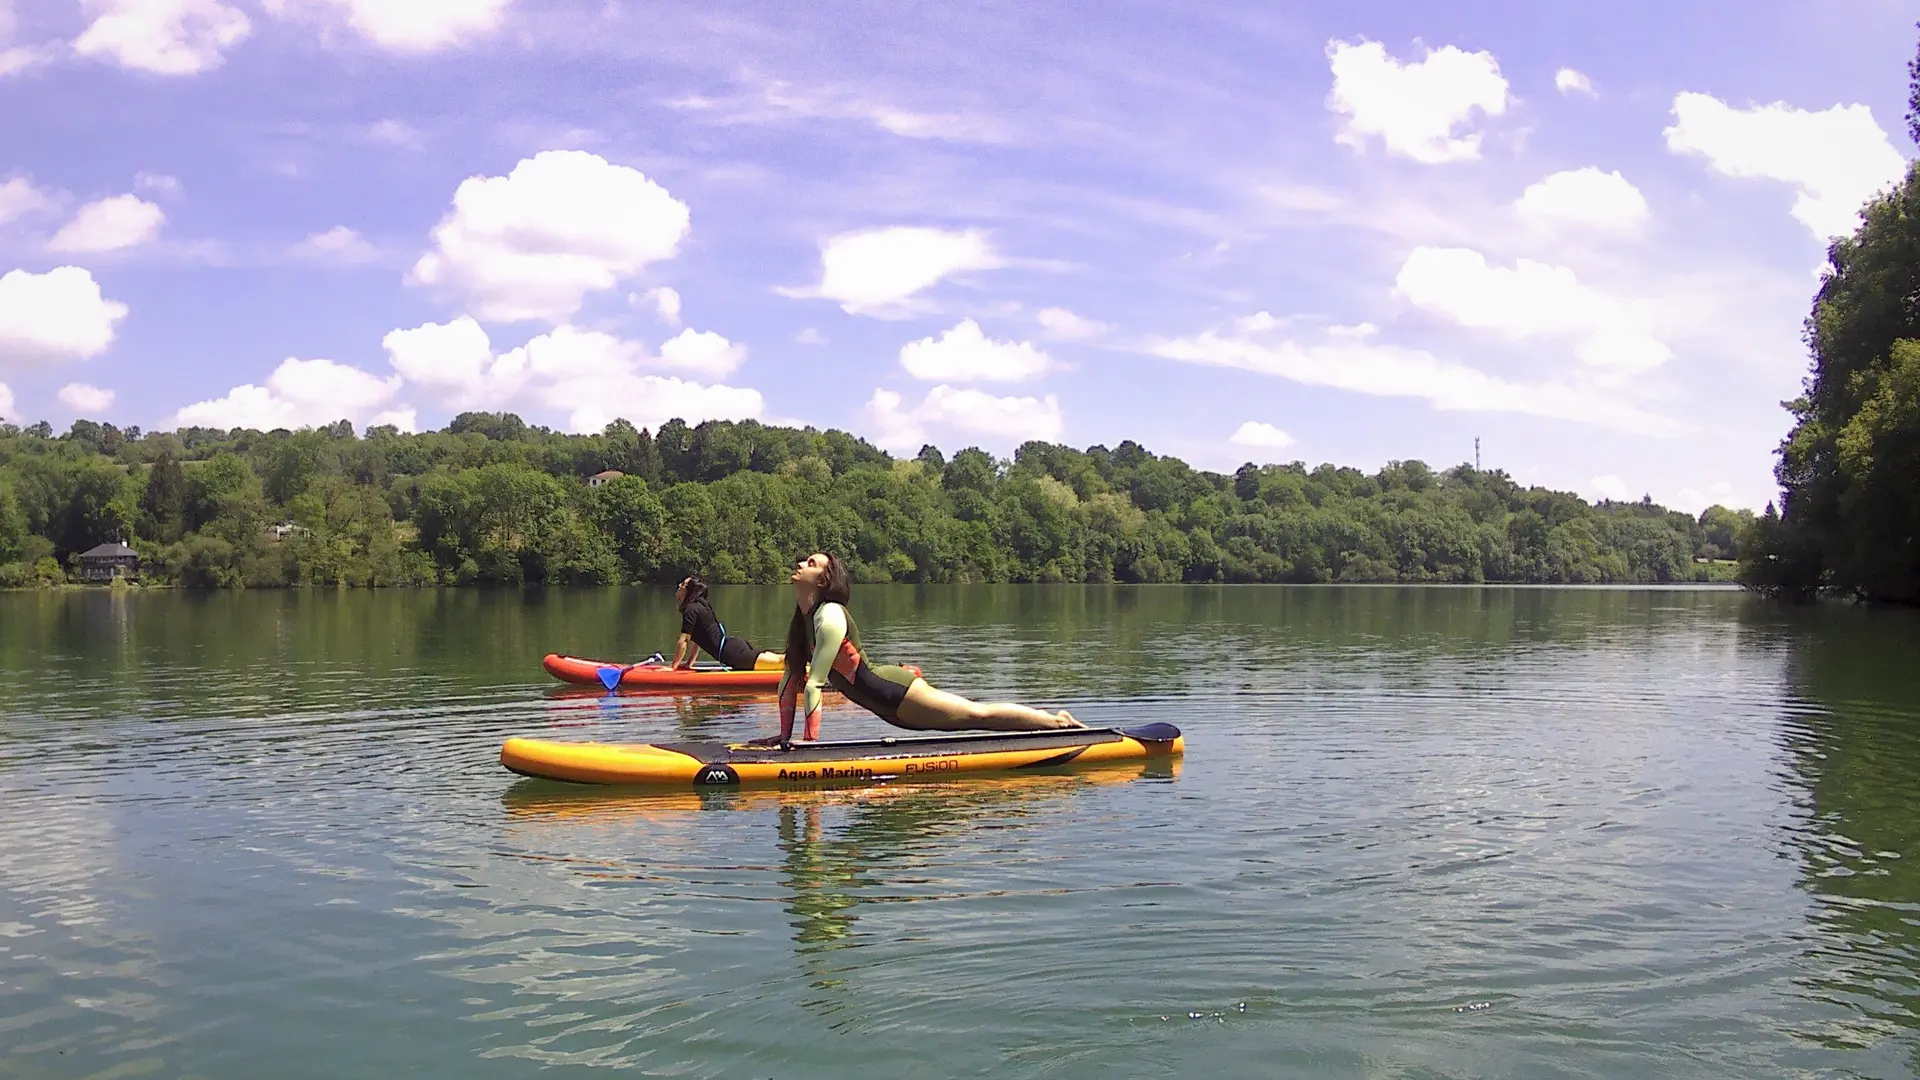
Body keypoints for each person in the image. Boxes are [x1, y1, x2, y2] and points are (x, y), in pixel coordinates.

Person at [763, 552, 1084, 745]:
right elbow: (790, 681)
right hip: (888, 710)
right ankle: (1052, 723)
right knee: (972, 719)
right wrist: (783, 738)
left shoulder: (829, 614)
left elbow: (815, 683)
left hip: (898, 693)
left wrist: (808, 747)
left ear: (823, 580)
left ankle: (1057, 723)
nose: (800, 563)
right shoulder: (802, 621)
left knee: (977, 714)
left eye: (811, 562)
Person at [670, 576, 782, 671]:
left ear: (689, 591)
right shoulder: (699, 606)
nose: (679, 585)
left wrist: (672, 667)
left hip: (732, 653)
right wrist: (689, 663)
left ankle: (798, 664)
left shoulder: (691, 609)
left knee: (779, 662)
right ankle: (797, 661)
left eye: (683, 584)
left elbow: (683, 641)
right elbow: (697, 640)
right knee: (774, 660)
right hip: (732, 646)